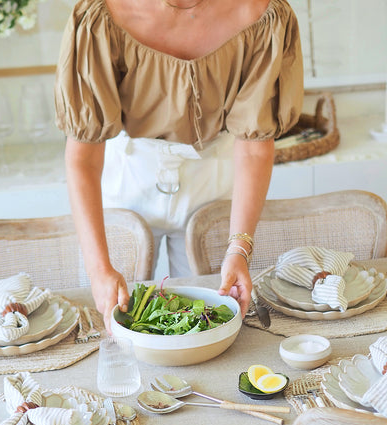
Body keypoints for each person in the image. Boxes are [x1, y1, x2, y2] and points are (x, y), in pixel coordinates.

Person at [54, 0, 304, 332]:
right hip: (127, 182)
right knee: (116, 330)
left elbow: (254, 148)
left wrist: (239, 249)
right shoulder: (100, 17)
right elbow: (83, 157)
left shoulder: (263, 15)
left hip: (214, 185)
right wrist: (98, 269)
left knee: (212, 326)